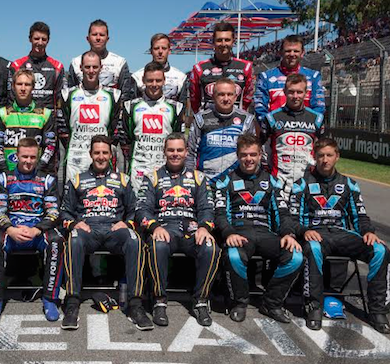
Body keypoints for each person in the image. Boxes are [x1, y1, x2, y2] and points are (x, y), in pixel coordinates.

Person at [290, 138, 390, 334]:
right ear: (314, 157)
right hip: (315, 234)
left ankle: (378, 311)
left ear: (337, 156)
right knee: (312, 248)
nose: (325, 160)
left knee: (380, 250)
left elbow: (360, 216)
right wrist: (304, 231)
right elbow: (292, 219)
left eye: (329, 155)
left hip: (342, 234)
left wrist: (368, 232)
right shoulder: (301, 184)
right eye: (320, 156)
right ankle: (314, 307)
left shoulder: (349, 184)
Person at [60, 135, 149, 331]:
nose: (101, 157)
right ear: (90, 154)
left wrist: (127, 223)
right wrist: (74, 224)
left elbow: (134, 209)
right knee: (73, 239)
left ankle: (135, 305)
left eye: (105, 153)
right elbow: (64, 211)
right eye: (97, 153)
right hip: (88, 230)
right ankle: (72, 302)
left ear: (111, 155)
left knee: (134, 240)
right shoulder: (77, 180)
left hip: (114, 230)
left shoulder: (123, 180)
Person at [215, 134, 303, 323]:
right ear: (238, 156)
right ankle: (239, 303)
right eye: (244, 155)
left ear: (260, 155)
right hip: (238, 233)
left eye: (253, 154)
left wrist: (288, 234)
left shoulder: (273, 181)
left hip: (265, 233)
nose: (249, 159)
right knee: (233, 256)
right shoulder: (225, 181)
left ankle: (271, 303)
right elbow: (220, 214)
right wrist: (228, 233)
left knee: (295, 256)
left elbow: (283, 213)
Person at [136, 133, 219, 327]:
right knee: (157, 245)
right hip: (165, 227)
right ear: (164, 152)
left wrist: (204, 227)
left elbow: (207, 208)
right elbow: (142, 209)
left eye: (179, 150)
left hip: (192, 228)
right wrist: (154, 226)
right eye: (171, 150)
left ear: (186, 152)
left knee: (211, 247)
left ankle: (201, 301)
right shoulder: (152, 177)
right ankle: (159, 301)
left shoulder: (199, 177)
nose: (175, 154)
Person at [0, 137, 63, 322]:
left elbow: (53, 212)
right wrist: (10, 229)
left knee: (56, 241)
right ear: (17, 156)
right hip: (12, 231)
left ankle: (49, 299)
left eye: (32, 157)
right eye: (24, 157)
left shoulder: (47, 180)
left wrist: (36, 229)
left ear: (38, 157)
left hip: (36, 231)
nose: (28, 161)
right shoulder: (4, 178)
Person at [120, 62, 185, 193]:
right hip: (138, 170)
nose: (154, 84)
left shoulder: (176, 108)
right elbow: (127, 140)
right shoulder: (130, 107)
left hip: (164, 169)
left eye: (158, 80)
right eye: (150, 80)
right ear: (143, 80)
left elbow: (177, 139)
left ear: (164, 81)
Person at [61, 51, 121, 182]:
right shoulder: (67, 95)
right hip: (75, 158)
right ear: (81, 68)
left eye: (95, 67)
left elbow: (114, 128)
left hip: (101, 158)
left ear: (101, 68)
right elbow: (64, 127)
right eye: (87, 67)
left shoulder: (113, 96)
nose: (91, 71)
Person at [261, 73, 325, 189]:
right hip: (278, 183)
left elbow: (321, 150)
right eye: (291, 92)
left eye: (299, 92)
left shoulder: (317, 119)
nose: (295, 96)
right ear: (284, 92)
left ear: (306, 93)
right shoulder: (271, 118)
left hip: (307, 183)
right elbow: (264, 152)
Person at [186, 78, 256, 183]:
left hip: (235, 182)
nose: (226, 98)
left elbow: (252, 153)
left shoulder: (246, 120)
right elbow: (191, 153)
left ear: (235, 97)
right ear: (213, 96)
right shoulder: (201, 119)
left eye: (230, 94)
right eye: (221, 94)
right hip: (206, 181)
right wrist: (190, 179)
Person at [0, 69, 56, 173]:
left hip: (36, 174)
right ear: (13, 86)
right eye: (19, 84)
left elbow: (50, 147)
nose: (23, 88)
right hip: (8, 173)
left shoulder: (45, 114)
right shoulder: (2, 113)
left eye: (27, 84)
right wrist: (5, 171)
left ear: (33, 87)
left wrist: (38, 170)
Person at [254, 34, 325, 124]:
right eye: (288, 51)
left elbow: (319, 107)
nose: (292, 54)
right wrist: (270, 125)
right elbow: (260, 108)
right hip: (276, 128)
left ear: (302, 53)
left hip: (305, 128)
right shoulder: (266, 77)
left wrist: (310, 126)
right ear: (280, 52)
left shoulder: (313, 76)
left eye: (296, 51)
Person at [189, 23, 254, 113]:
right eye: (219, 40)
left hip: (236, 119)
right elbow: (194, 101)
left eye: (227, 40)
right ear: (213, 42)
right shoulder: (199, 68)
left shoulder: (246, 67)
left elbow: (248, 99)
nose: (223, 44)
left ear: (233, 41)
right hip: (208, 120)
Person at [67, 19, 134, 100]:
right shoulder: (76, 63)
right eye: (94, 34)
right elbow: (70, 94)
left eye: (102, 35)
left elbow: (125, 95)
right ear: (88, 38)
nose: (98, 38)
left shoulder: (119, 62)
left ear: (107, 39)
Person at [10, 21, 64, 111]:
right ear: (30, 39)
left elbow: (60, 97)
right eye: (36, 38)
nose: (40, 43)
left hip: (48, 116)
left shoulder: (57, 67)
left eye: (44, 39)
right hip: (23, 115)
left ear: (48, 40)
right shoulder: (17, 65)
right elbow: (11, 97)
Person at [132, 33, 187, 103]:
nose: (160, 51)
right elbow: (132, 105)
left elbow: (182, 107)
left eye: (164, 48)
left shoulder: (181, 77)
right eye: (156, 48)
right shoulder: (137, 76)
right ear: (151, 51)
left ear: (169, 51)